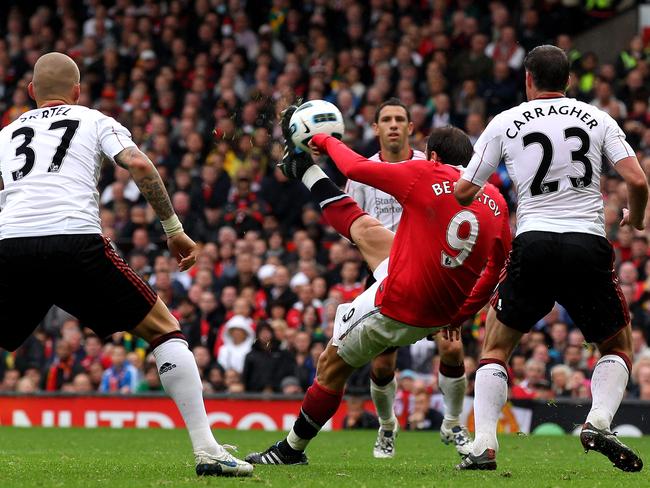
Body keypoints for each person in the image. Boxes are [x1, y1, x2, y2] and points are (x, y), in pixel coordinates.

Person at [0, 52, 252, 477]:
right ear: (77, 91)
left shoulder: (6, 135)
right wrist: (173, 228)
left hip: (11, 244)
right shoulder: (93, 118)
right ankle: (207, 450)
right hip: (74, 238)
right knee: (163, 329)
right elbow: (137, 163)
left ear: (30, 93)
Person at [244, 114, 511, 466]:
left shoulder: (426, 173)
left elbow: (353, 167)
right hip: (442, 304)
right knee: (367, 229)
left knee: (331, 364)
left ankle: (291, 449)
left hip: (401, 303)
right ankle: (306, 171)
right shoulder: (496, 199)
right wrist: (462, 312)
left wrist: (322, 140)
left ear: (431, 156)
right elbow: (497, 268)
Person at [454, 45, 647, 472]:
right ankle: (598, 420)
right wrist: (635, 217)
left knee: (497, 346)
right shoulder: (597, 118)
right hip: (586, 242)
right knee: (617, 344)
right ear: (569, 80)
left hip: (534, 241)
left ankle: (484, 443)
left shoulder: (504, 122)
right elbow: (636, 178)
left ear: (528, 78)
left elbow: (464, 192)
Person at [345, 99, 476, 458]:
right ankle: (387, 427)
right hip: (384, 273)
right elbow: (352, 228)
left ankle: (452, 423)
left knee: (451, 346)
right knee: (383, 361)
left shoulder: (428, 166)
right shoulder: (360, 173)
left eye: (399, 119)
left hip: (431, 271)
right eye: (385, 119)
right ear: (375, 128)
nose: (392, 125)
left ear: (410, 128)